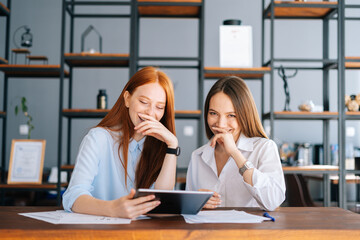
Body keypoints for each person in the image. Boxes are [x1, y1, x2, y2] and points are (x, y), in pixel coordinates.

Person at [63, 66, 179, 219]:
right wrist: (112, 208)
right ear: (127, 99)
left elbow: (161, 203)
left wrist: (172, 146)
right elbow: (73, 197)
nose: (151, 113)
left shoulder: (161, 146)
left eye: (159, 107)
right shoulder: (98, 138)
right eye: (144, 102)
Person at [186, 76, 285, 211]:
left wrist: (235, 153)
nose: (220, 124)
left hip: (250, 231)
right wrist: (195, 203)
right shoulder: (197, 156)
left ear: (245, 115)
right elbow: (187, 210)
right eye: (213, 113)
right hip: (208, 231)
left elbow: (273, 201)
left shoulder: (264, 148)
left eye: (231, 115)